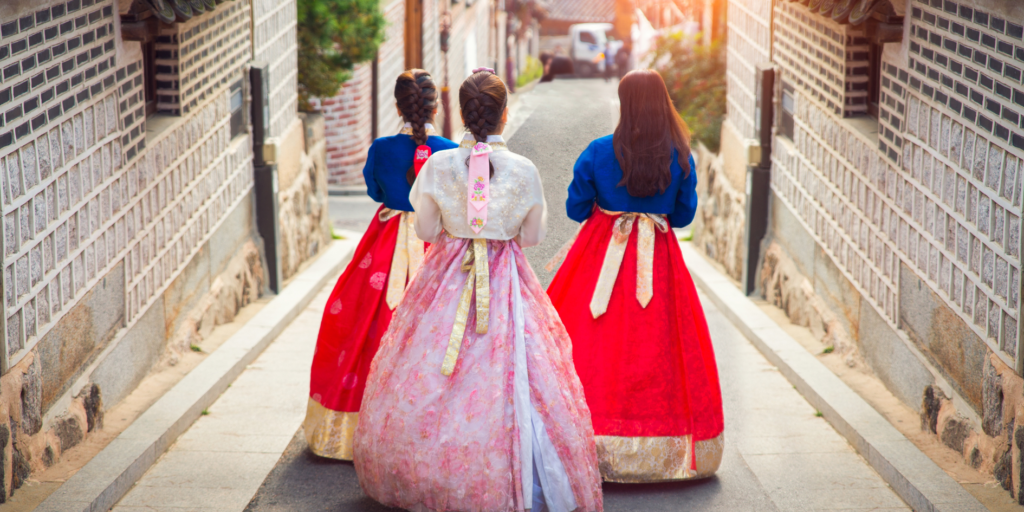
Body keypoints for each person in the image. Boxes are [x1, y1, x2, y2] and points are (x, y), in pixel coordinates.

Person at [354, 69, 604, 512]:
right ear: (504, 115)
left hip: (445, 277)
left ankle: (429, 470)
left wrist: (461, 224)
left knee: (430, 367)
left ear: (464, 117)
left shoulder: (437, 165)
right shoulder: (523, 170)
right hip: (505, 279)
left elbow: (427, 228)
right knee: (517, 372)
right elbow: (531, 236)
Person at [546, 69, 724, 483]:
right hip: (658, 259)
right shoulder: (680, 155)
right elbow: (681, 216)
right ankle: (662, 447)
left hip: (602, 256)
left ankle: (588, 441)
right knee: (660, 346)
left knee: (594, 343)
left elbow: (575, 208)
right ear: (663, 103)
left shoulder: (598, 150)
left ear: (625, 105)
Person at [303, 70, 459, 461]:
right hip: (434, 242)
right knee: (435, 328)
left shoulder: (381, 148)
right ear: (436, 107)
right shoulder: (450, 150)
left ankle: (352, 425)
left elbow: (374, 190)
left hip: (385, 244)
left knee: (368, 323)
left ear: (396, 106)